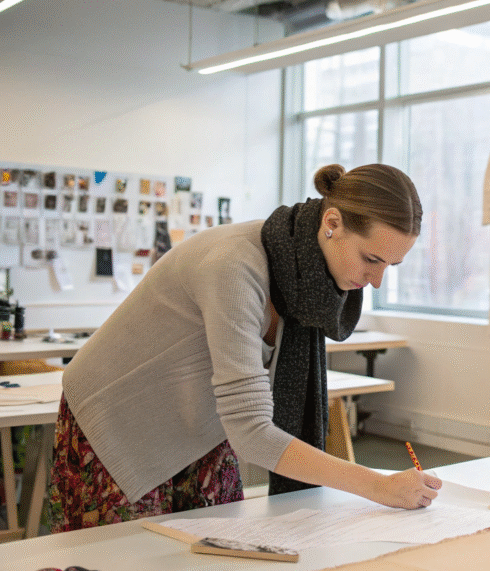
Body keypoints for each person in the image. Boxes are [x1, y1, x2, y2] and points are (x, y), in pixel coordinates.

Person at [47, 164, 441, 532]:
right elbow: (252, 432)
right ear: (332, 223)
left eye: (390, 265)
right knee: (122, 567)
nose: (376, 280)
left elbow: (246, 420)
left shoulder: (306, 283)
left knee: (214, 555)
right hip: (117, 420)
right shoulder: (235, 266)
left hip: (201, 422)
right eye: (371, 259)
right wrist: (379, 486)